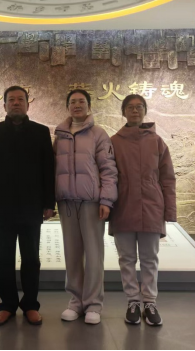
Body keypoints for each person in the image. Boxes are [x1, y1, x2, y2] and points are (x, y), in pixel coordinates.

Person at [0, 86, 55, 327]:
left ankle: (31, 304)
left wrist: (49, 203)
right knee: (4, 259)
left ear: (27, 104)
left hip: (32, 206)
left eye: (20, 99)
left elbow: (48, 169)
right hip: (1, 208)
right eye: (11, 100)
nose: (15, 103)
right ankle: (7, 305)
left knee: (31, 258)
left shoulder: (41, 132)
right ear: (4, 105)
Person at [110, 95, 177, 327]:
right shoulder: (114, 142)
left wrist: (170, 211)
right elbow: (107, 176)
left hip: (151, 206)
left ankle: (149, 302)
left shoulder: (157, 141)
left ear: (145, 111)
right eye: (130, 107)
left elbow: (168, 178)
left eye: (139, 107)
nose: (135, 111)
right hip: (123, 205)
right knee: (126, 258)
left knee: (150, 258)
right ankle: (132, 302)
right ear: (123, 112)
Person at [54, 90, 118, 325]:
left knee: (93, 254)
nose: (77, 105)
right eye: (73, 102)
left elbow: (108, 169)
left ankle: (93, 304)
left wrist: (106, 200)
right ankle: (75, 302)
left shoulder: (99, 134)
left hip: (91, 203)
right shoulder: (60, 135)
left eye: (81, 101)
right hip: (67, 204)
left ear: (89, 106)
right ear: (68, 107)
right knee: (72, 254)